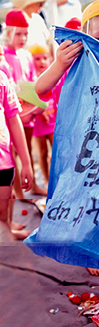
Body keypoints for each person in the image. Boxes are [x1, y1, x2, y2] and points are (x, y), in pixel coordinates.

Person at [34, 0, 99, 276]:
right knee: (85, 200)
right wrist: (59, 64)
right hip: (81, 152)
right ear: (85, 36)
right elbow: (40, 88)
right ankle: (89, 250)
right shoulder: (75, 64)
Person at [3, 9, 47, 197]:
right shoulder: (3, 56)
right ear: (8, 33)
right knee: (10, 154)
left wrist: (37, 106)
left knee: (26, 148)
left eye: (25, 34)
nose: (22, 38)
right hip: (11, 113)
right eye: (18, 34)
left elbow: (32, 82)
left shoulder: (27, 56)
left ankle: (32, 185)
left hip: (28, 112)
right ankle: (17, 191)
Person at [0, 70, 33, 240]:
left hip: (3, 164)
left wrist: (26, 163)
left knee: (2, 214)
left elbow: (13, 119)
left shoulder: (2, 78)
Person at [29, 43, 56, 187]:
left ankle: (55, 180)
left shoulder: (53, 74)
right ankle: (46, 182)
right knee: (43, 152)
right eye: (37, 59)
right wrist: (40, 110)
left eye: (45, 58)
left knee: (56, 151)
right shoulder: (32, 77)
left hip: (52, 120)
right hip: (39, 121)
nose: (42, 62)